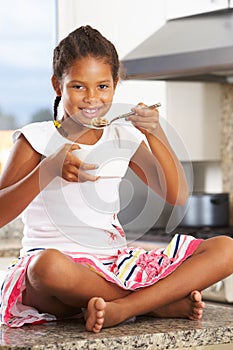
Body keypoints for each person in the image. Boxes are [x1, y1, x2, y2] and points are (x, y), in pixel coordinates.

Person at [0, 25, 233, 332]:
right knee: (48, 267)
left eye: (103, 87)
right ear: (58, 85)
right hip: (54, 280)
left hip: (112, 265)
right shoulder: (36, 138)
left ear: (115, 84)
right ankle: (156, 304)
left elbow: (176, 196)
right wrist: (47, 170)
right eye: (78, 87)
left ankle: (124, 307)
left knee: (226, 248)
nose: (91, 98)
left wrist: (156, 131)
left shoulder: (123, 136)